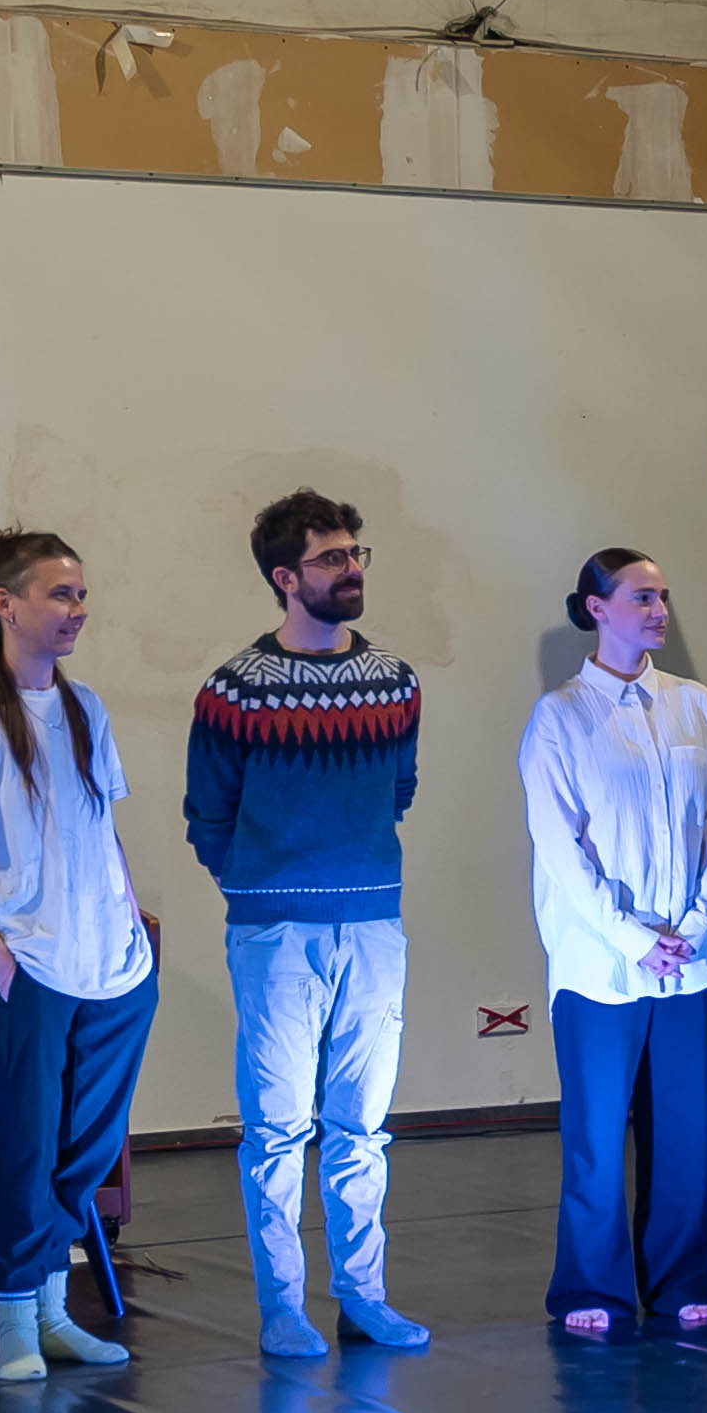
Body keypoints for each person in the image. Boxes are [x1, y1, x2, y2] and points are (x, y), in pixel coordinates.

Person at [187, 486, 428, 1358]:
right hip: (275, 930)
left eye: (355, 552)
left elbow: (398, 790)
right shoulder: (235, 690)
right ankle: (282, 1307)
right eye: (331, 558)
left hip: (372, 922)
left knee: (362, 1127)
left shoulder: (395, 680)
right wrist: (263, 889)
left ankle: (363, 1296)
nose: (351, 568)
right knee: (277, 1126)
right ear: (286, 577)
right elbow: (207, 814)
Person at [0, 527, 151, 1384]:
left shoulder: (86, 708)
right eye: (60, 594)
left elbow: (102, 830)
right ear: (5, 604)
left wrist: (130, 931)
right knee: (28, 1140)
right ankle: (17, 1317)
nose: (77, 609)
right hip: (26, 964)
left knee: (88, 1145)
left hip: (112, 965)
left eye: (81, 594)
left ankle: (54, 1311)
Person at [522, 546, 707, 1340]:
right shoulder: (560, 716)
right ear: (595, 608)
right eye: (641, 597)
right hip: (600, 965)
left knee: (685, 1133)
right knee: (598, 1139)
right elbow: (561, 849)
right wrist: (630, 937)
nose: (658, 610)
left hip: (686, 961)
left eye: (663, 596)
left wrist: (693, 927)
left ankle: (681, 1279)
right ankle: (593, 1286)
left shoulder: (696, 707)